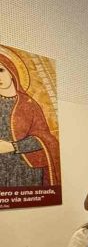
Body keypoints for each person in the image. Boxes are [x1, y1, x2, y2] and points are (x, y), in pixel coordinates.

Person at [0, 47, 61, 188]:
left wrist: (13, 146)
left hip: (27, 169)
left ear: (11, 72)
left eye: (1, 70)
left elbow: (45, 138)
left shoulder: (29, 104)